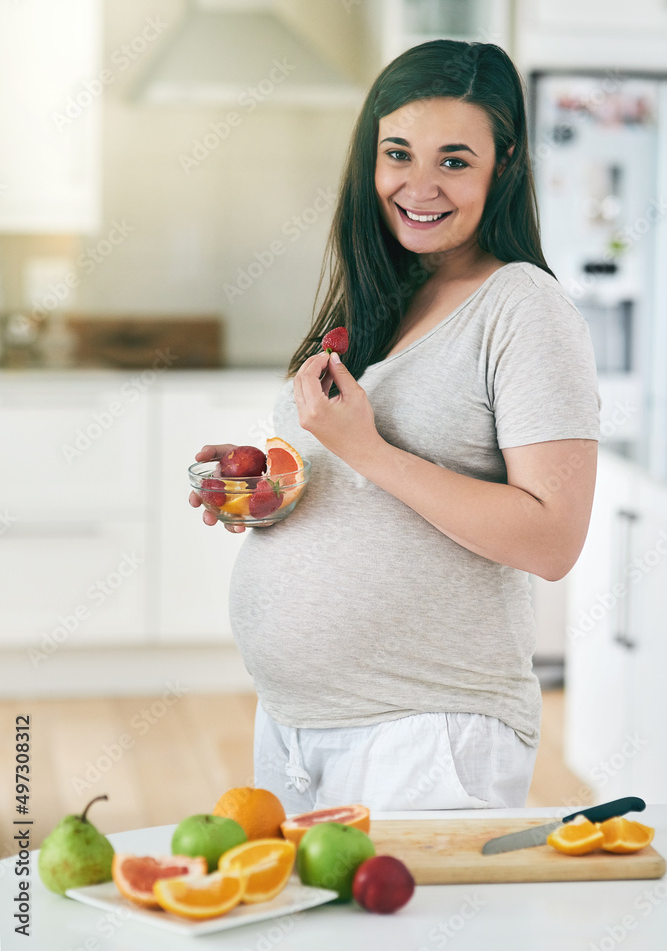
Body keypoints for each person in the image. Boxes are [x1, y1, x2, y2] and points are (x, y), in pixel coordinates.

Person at [189, 40, 600, 814]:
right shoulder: (382, 295)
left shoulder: (522, 307)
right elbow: (353, 476)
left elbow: (551, 541)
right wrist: (267, 481)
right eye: (397, 153)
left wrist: (366, 450)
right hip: (293, 725)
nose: (418, 186)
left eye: (453, 160)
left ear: (502, 166)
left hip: (428, 734)